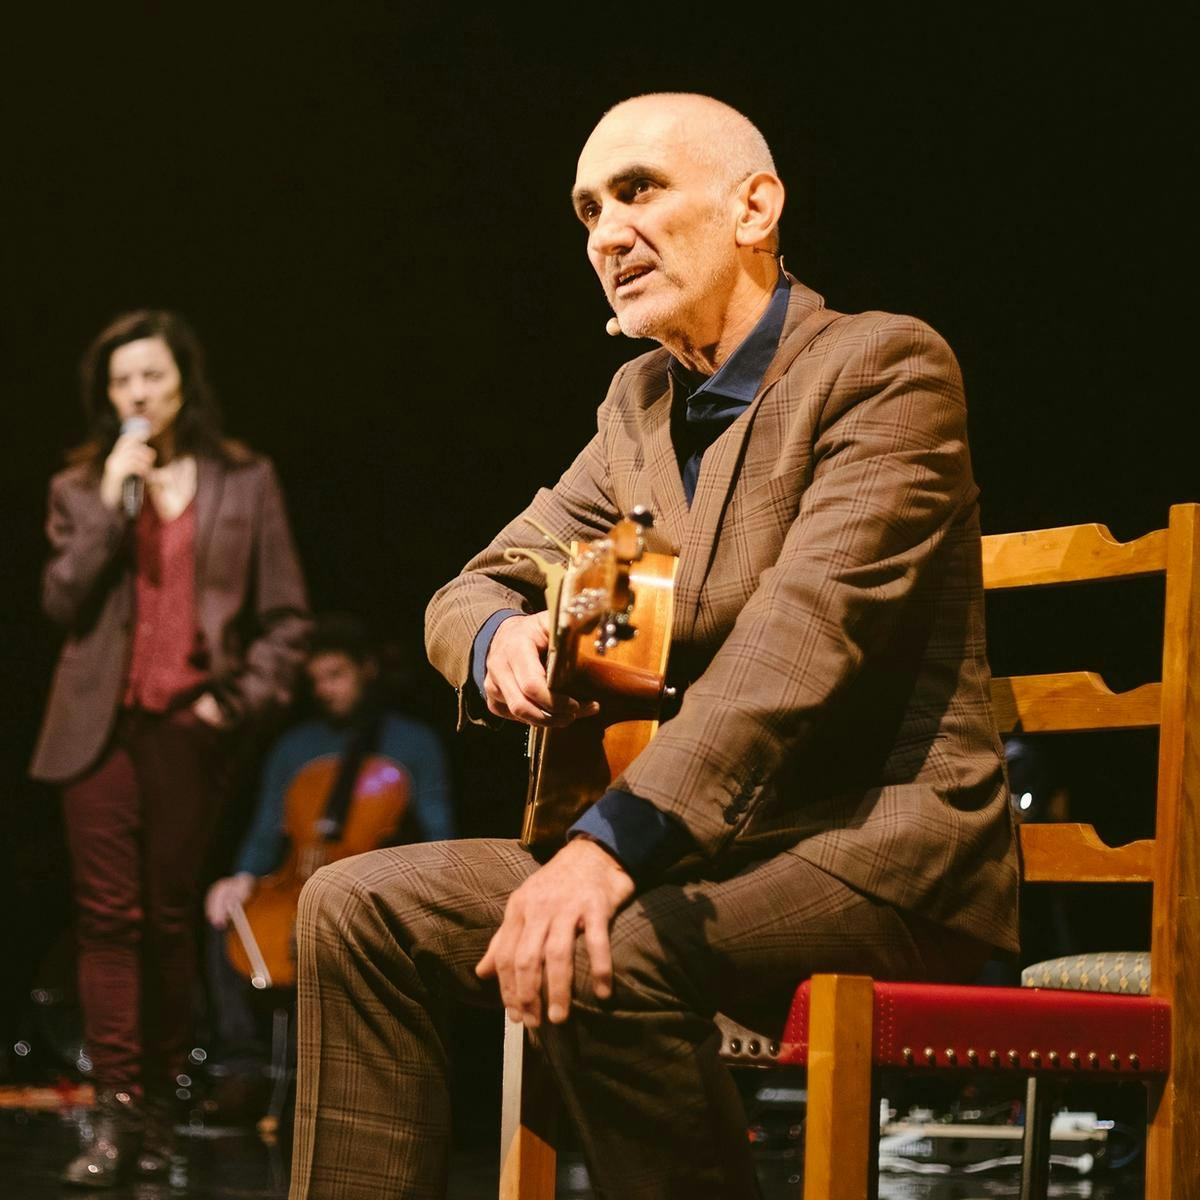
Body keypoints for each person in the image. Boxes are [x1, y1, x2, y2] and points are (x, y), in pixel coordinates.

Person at [289, 93, 1019, 1200]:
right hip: (694, 856)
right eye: (587, 210)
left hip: (875, 858)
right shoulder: (639, 409)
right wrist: (495, 637)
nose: (605, 235)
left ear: (754, 206)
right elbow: (467, 585)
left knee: (606, 946)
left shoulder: (880, 370)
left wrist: (605, 850)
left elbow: (802, 643)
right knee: (355, 907)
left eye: (638, 191)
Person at [30, 309, 310, 1188]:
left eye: (150, 376)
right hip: (99, 731)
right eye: (120, 382)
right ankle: (117, 1119)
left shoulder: (246, 479)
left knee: (166, 920)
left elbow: (286, 619)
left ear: (183, 378)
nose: (137, 394)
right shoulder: (80, 487)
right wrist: (116, 497)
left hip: (193, 727)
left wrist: (234, 706)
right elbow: (61, 601)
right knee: (108, 922)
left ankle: (158, 1111)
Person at [204, 613, 455, 1059]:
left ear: (367, 669)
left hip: (371, 890)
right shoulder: (295, 746)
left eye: (336, 675)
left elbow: (438, 834)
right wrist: (241, 875)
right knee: (224, 918)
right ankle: (239, 1063)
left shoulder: (413, 743)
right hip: (290, 882)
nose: (325, 690)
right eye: (316, 680)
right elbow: (267, 828)